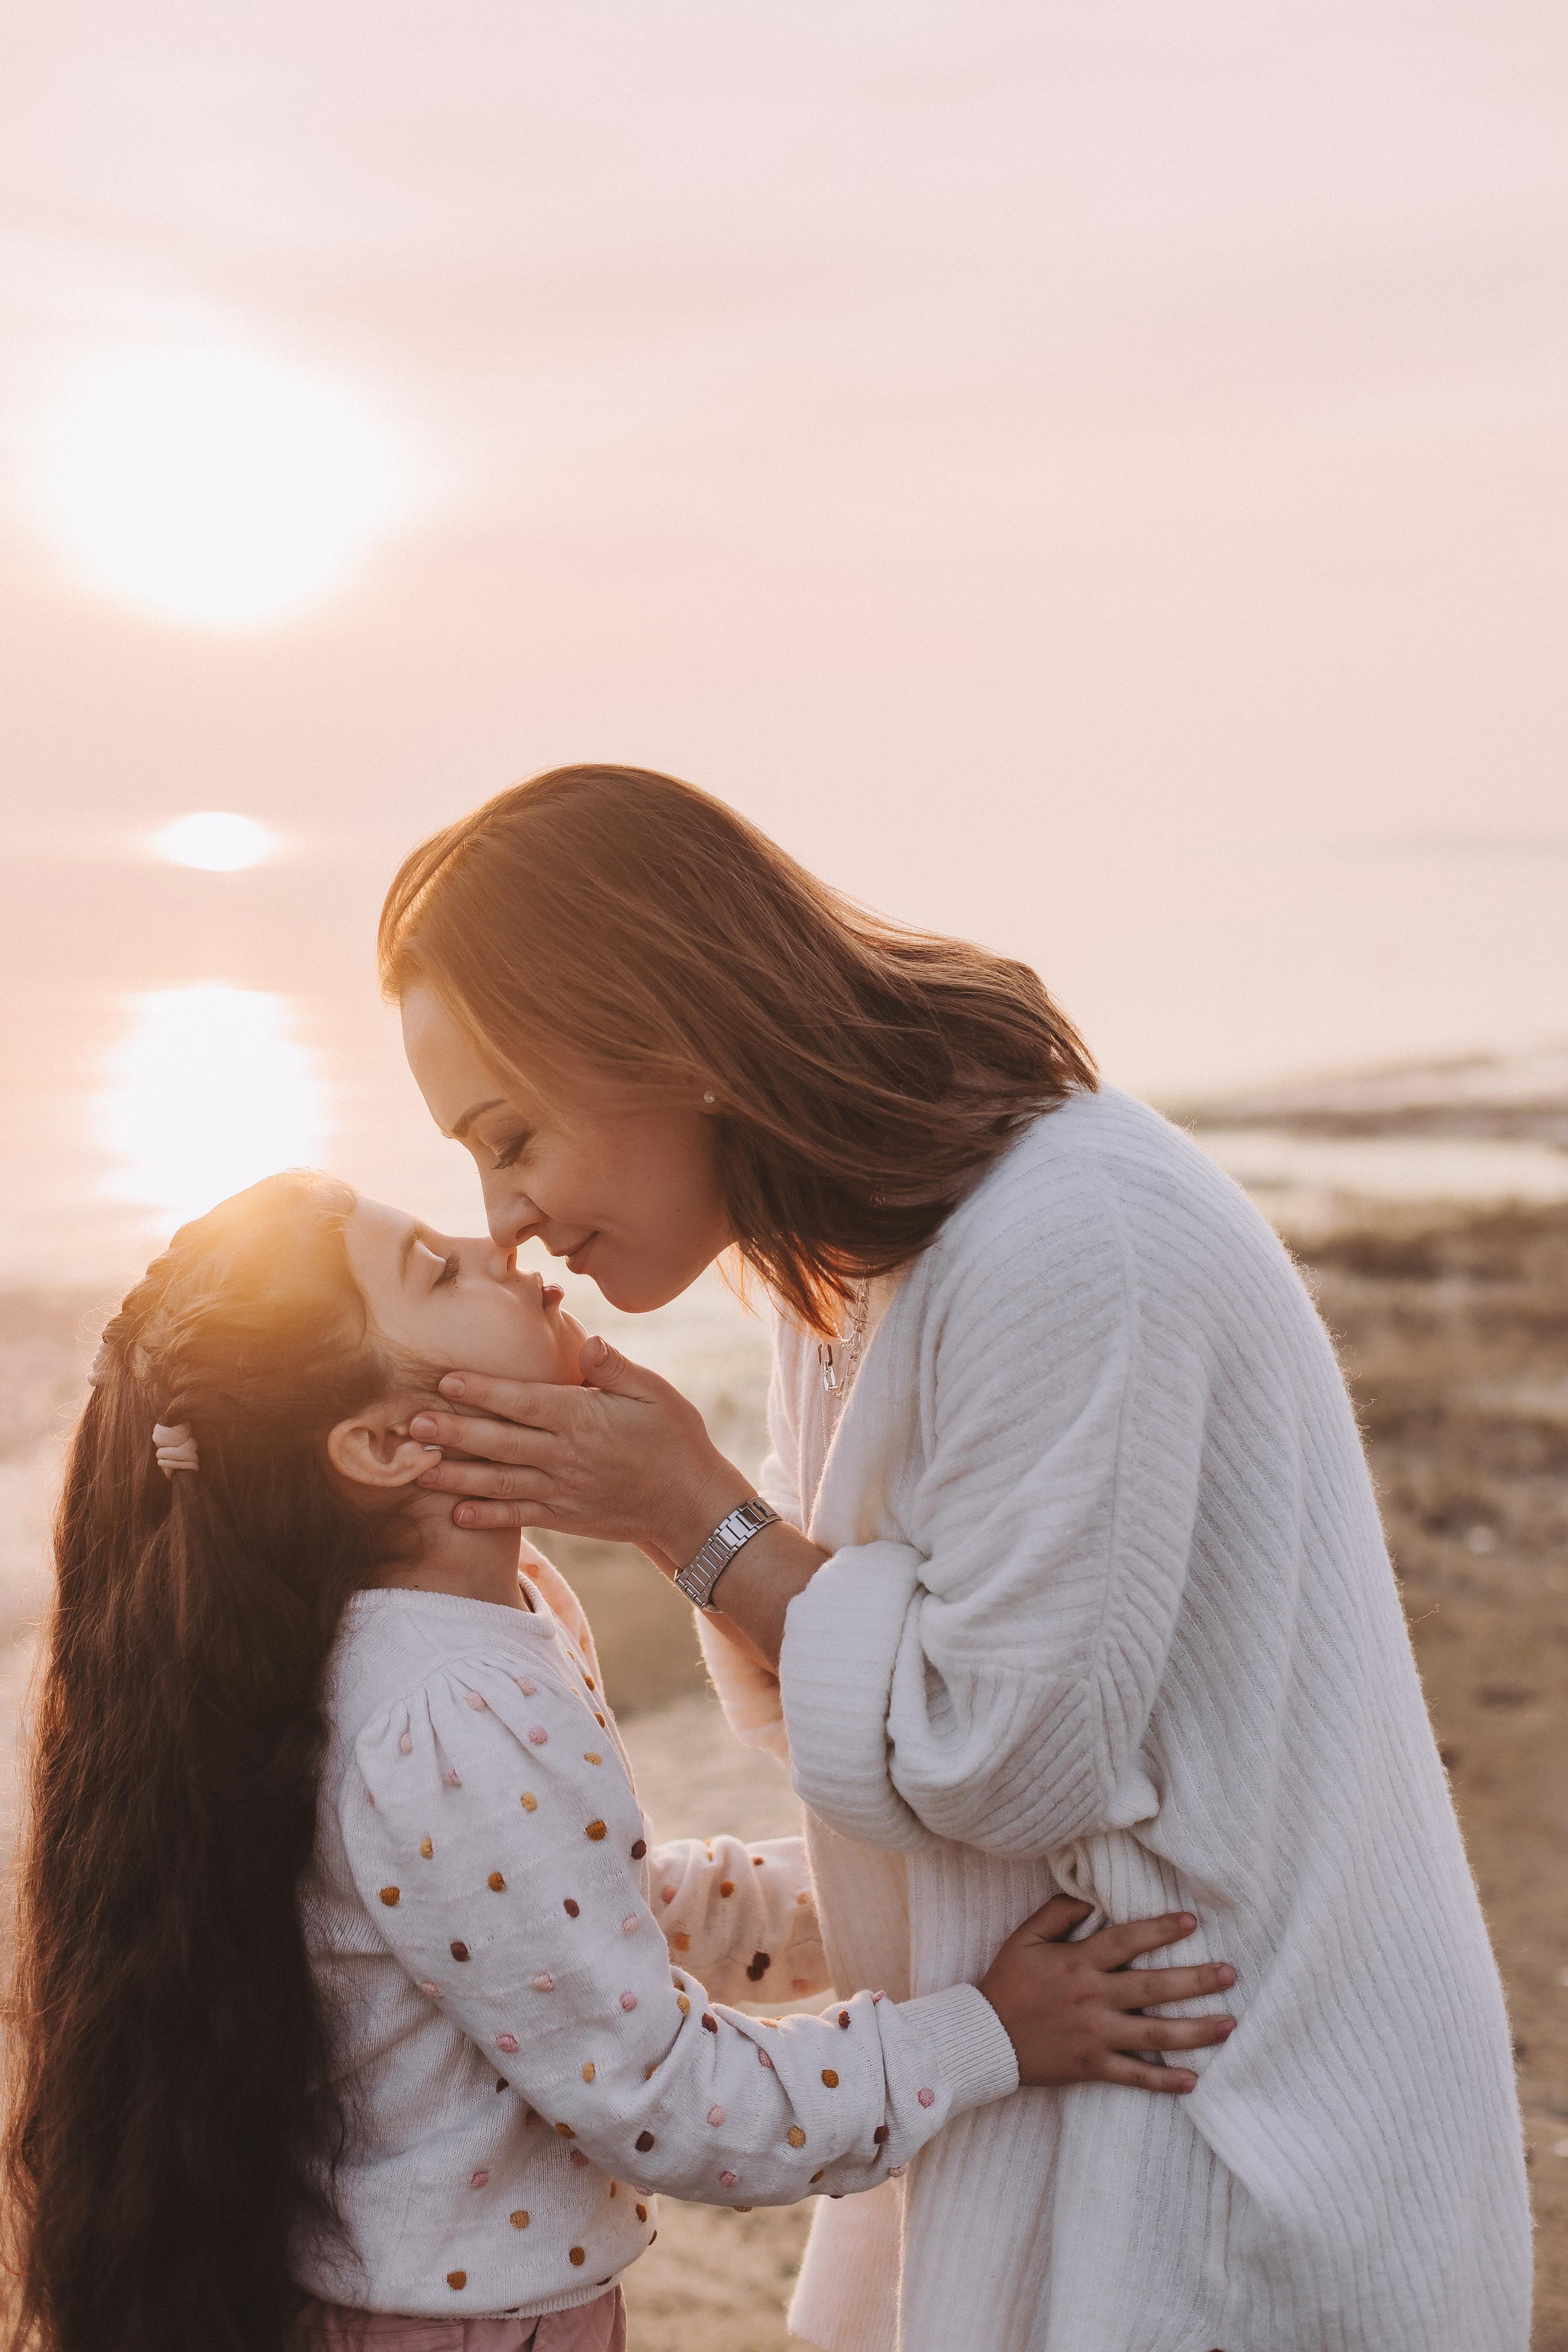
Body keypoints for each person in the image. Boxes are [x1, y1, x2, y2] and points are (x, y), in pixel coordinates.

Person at [382, 762, 1533, 2352]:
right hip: (1068, 2068)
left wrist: (685, 1513)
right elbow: (844, 1723)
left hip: (1230, 2118)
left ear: (667, 1036)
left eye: (509, 1135)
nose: (501, 1216)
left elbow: (997, 1756)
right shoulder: (849, 1263)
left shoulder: (1068, 1239)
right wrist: (685, 1518)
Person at [2, 1172, 1235, 2352]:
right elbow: (661, 2095)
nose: (499, 1244)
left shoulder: (475, 1623)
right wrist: (985, 2036)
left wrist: (873, 1901)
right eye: (437, 1269)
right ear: (382, 1444)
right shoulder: (446, 1707)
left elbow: (582, 1916)